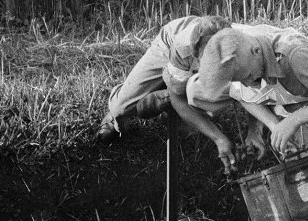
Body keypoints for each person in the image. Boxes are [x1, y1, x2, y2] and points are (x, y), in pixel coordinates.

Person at [182, 27, 308, 174]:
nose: (246, 83)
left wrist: (295, 120)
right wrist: (273, 125)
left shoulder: (297, 56)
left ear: (256, 51)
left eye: (246, 76)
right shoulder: (243, 61)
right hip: (284, 98)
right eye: (240, 80)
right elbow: (243, 95)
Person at [96, 15, 232, 143]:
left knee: (185, 132)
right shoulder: (183, 47)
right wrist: (174, 94)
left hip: (195, 60)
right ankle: (118, 111)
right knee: (121, 107)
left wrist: (253, 133)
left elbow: (251, 90)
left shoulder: (244, 47)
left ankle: (167, 98)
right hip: (168, 45)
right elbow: (178, 95)